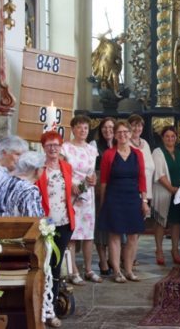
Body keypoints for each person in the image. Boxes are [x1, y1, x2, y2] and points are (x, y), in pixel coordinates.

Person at [99, 121, 149, 283]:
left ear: (130, 133)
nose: (123, 135)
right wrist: (103, 202)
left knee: (133, 235)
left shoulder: (138, 154)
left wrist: (144, 200)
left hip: (133, 197)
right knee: (115, 236)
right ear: (115, 135)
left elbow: (142, 178)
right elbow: (104, 181)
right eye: (119, 132)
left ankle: (128, 270)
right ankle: (117, 272)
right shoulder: (108, 154)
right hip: (114, 197)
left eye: (125, 132)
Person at [36, 131, 75, 328]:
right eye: (49, 145)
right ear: (43, 147)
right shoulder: (38, 169)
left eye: (56, 145)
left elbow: (70, 191)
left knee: (56, 267)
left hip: (65, 222)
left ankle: (51, 309)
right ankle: (39, 307)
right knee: (43, 266)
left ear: (61, 148)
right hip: (45, 225)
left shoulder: (66, 167)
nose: (53, 148)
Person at [60, 115, 101, 285]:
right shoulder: (65, 148)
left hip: (87, 195)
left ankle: (89, 269)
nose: (83, 130)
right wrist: (70, 184)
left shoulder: (91, 149)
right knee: (73, 234)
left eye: (85, 128)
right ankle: (72, 270)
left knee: (88, 234)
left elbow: (92, 171)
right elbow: (61, 170)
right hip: (71, 194)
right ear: (73, 129)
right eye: (79, 127)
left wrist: (94, 179)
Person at [152, 126, 180, 265]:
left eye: (173, 136)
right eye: (167, 136)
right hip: (164, 191)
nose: (170, 139)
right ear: (163, 138)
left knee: (176, 222)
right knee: (161, 222)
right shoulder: (158, 152)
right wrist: (171, 188)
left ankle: (175, 250)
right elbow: (159, 174)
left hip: (178, 193)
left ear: (176, 138)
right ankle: (159, 250)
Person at [0, 151, 45, 217]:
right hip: (16, 226)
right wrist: (52, 222)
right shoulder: (30, 190)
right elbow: (35, 219)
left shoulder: (7, 181)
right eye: (43, 167)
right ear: (37, 170)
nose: (43, 170)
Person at [90, 117, 116, 276]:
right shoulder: (94, 145)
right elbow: (90, 167)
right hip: (100, 185)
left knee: (114, 225)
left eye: (111, 128)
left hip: (116, 186)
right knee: (100, 223)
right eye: (105, 128)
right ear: (101, 129)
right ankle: (102, 259)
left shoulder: (120, 144)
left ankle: (114, 258)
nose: (108, 130)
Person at [128, 114, 155, 208]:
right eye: (134, 125)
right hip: (133, 191)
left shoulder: (145, 143)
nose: (137, 128)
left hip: (148, 191)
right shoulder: (126, 144)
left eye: (139, 125)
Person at [91, 29, 127, 97]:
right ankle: (105, 92)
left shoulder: (119, 48)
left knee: (115, 76)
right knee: (103, 80)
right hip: (104, 64)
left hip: (113, 66)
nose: (121, 43)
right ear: (118, 39)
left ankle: (116, 92)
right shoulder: (109, 42)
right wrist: (107, 32)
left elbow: (118, 58)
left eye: (122, 42)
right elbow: (99, 36)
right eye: (121, 41)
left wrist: (118, 61)